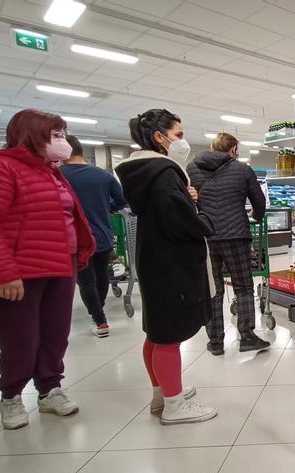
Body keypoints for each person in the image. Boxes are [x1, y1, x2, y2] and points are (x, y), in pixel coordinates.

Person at [0, 109, 96, 429]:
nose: (63, 142)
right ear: (31, 135)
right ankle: (10, 395)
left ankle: (50, 389)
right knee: (20, 339)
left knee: (55, 334)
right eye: (56, 135)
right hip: (20, 270)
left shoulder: (51, 171)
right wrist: (4, 272)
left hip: (59, 263)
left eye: (63, 134)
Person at [116, 108, 218, 425]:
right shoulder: (162, 172)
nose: (182, 141)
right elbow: (181, 221)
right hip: (172, 264)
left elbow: (167, 207)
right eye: (179, 135)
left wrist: (187, 196)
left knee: (156, 333)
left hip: (155, 259)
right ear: (160, 138)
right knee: (169, 336)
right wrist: (201, 216)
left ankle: (163, 393)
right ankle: (174, 406)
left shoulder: (143, 172)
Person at [188, 132, 269, 356]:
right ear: (233, 149)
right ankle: (247, 337)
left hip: (206, 237)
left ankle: (215, 342)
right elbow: (259, 202)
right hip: (236, 236)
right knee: (243, 287)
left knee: (214, 289)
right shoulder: (242, 169)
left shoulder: (192, 168)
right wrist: (257, 216)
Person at [61, 135, 128, 338]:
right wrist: (107, 208)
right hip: (102, 234)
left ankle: (99, 319)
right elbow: (122, 200)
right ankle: (99, 310)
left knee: (86, 279)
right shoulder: (103, 175)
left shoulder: (58, 175)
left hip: (75, 237)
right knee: (101, 276)